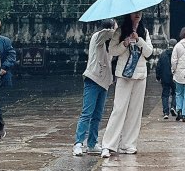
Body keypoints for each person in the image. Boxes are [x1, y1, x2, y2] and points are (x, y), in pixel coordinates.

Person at [99, 10, 153, 159]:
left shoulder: (144, 32)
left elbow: (149, 52)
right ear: (129, 15)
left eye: (139, 12)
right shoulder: (120, 31)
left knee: (135, 111)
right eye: (134, 13)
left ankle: (128, 144)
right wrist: (125, 43)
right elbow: (112, 50)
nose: (137, 15)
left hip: (140, 75)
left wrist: (139, 40)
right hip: (124, 75)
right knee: (119, 109)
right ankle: (108, 145)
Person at [74, 21, 114, 156]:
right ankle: (78, 143)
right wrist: (120, 30)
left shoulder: (110, 44)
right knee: (87, 113)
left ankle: (92, 143)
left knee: (97, 115)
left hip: (104, 82)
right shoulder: (97, 37)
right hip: (93, 79)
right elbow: (106, 34)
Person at [155, 38, 175, 119]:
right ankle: (173, 107)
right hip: (174, 77)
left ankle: (166, 112)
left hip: (165, 77)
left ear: (168, 44)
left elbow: (158, 66)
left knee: (165, 95)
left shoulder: (163, 54)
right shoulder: (176, 54)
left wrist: (158, 76)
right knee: (175, 93)